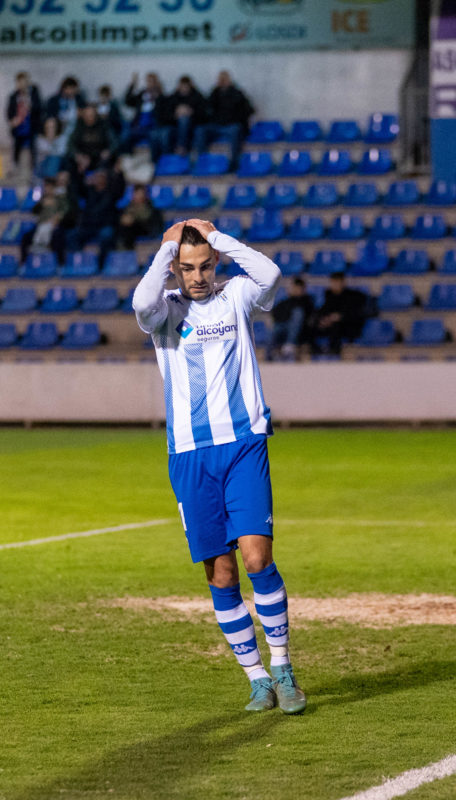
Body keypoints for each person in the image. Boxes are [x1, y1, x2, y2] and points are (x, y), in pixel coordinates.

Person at [132, 218, 305, 715]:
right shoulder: (164, 312)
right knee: (222, 573)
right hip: (189, 455)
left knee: (256, 559)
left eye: (205, 265)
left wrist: (221, 239)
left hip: (244, 445)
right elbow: (140, 303)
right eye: (188, 268)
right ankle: (256, 680)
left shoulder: (235, 297)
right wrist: (166, 248)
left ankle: (282, 665)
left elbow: (271, 275)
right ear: (176, 269)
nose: (198, 276)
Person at [65, 167, 123, 266]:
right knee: (72, 236)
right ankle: (79, 263)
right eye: (96, 176)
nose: (98, 179)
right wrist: (80, 173)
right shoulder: (89, 192)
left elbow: (120, 188)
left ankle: (102, 264)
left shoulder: (111, 193)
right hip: (89, 226)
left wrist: (119, 174)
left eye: (101, 177)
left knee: (106, 235)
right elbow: (76, 189)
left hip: (105, 225)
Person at [195, 70, 255, 165]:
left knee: (235, 130)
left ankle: (234, 162)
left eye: (224, 79)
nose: (222, 81)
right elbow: (206, 109)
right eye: (220, 79)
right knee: (200, 130)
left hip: (231, 125)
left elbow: (249, 110)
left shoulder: (237, 93)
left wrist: (236, 119)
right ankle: (202, 161)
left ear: (229, 80)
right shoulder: (214, 93)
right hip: (216, 125)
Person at [20, 172, 75, 264]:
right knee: (26, 237)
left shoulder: (60, 199)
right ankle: (23, 263)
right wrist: (42, 203)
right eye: (45, 187)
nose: (47, 189)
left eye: (49, 187)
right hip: (41, 225)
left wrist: (57, 218)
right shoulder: (43, 200)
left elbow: (65, 211)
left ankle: (60, 264)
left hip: (55, 226)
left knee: (58, 237)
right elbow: (34, 211)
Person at [314, 272, 369, 358]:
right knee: (313, 324)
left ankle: (334, 350)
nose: (335, 285)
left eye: (337, 282)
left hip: (348, 326)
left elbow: (355, 314)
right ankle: (311, 349)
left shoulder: (352, 296)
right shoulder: (329, 296)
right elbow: (322, 311)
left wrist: (340, 317)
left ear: (342, 282)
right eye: (333, 282)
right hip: (330, 326)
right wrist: (324, 319)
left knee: (336, 325)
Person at [267, 277, 314, 362]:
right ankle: (269, 355)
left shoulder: (307, 300)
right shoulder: (285, 301)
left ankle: (290, 345)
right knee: (275, 328)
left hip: (302, 330)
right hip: (283, 327)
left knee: (297, 312)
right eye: (293, 287)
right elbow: (275, 314)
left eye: (297, 287)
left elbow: (308, 316)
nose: (295, 289)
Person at [123, 72, 169, 157]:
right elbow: (127, 101)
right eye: (148, 81)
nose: (149, 84)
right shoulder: (141, 95)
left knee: (155, 138)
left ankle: (156, 163)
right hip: (139, 127)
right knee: (126, 136)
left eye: (152, 81)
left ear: (156, 83)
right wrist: (133, 85)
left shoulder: (161, 97)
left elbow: (165, 113)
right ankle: (129, 161)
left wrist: (157, 96)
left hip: (154, 127)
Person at [6, 72, 43, 174]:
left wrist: (30, 105)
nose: (23, 85)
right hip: (19, 127)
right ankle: (15, 166)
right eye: (20, 82)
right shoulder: (14, 96)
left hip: (31, 126)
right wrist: (13, 120)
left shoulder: (34, 93)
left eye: (25, 82)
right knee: (16, 146)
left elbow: (39, 107)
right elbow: (9, 112)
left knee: (33, 147)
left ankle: (34, 168)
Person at [163, 76, 208, 156]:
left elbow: (204, 115)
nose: (184, 88)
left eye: (186, 86)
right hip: (175, 126)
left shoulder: (198, 96)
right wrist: (176, 114)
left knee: (190, 124)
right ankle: (167, 159)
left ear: (190, 86)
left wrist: (191, 113)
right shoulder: (173, 97)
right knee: (165, 133)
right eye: (182, 86)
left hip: (194, 125)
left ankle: (182, 147)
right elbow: (165, 116)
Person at [67, 104, 117, 176]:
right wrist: (78, 156)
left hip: (100, 158)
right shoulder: (79, 125)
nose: (89, 118)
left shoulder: (103, 125)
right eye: (87, 116)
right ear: (83, 116)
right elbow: (70, 144)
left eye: (92, 115)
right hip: (83, 157)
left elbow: (114, 142)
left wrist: (108, 151)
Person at [116, 184, 164, 250]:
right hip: (132, 231)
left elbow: (151, 221)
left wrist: (133, 219)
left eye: (141, 194)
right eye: (137, 194)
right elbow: (124, 218)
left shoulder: (151, 206)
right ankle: (124, 248)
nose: (139, 196)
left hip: (146, 230)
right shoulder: (129, 206)